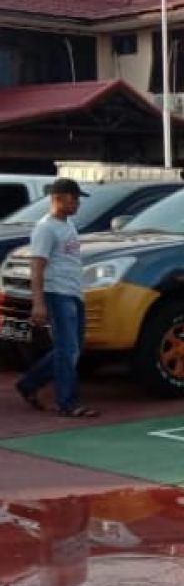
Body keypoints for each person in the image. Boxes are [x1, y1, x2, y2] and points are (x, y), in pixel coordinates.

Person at [14, 178, 99, 418]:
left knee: (72, 348)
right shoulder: (45, 228)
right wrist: (38, 303)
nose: (78, 203)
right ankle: (68, 402)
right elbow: (37, 266)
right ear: (58, 198)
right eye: (74, 198)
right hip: (57, 293)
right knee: (68, 349)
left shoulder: (68, 225)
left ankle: (30, 383)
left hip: (73, 292)